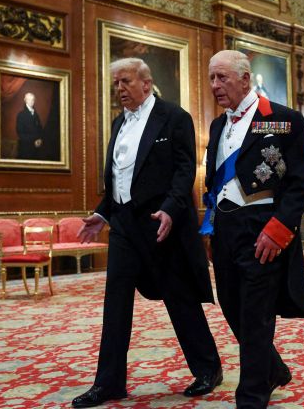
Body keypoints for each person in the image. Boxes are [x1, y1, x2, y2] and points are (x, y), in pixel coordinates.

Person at [72, 58, 221, 408]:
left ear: (146, 83)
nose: (120, 89)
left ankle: (208, 369)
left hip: (160, 223)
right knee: (116, 303)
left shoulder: (174, 117)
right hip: (123, 226)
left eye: (125, 81)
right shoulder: (118, 122)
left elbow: (184, 171)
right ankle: (109, 383)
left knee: (179, 298)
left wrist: (170, 208)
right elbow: (119, 178)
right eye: (116, 84)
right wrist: (102, 213)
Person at [202, 50, 304, 408]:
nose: (215, 85)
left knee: (255, 312)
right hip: (225, 227)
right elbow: (213, 181)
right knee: (231, 304)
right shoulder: (217, 125)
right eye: (211, 78)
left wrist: (280, 228)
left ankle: (251, 395)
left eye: (222, 77)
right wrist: (210, 227)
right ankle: (274, 369)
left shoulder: (282, 119)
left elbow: (300, 181)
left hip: (263, 226)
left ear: (245, 79)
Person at [16, 92, 45, 159]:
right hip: (26, 148)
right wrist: (33, 141)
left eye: (33, 99)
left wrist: (40, 139)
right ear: (25, 100)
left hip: (37, 147)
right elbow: (20, 134)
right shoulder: (21, 115)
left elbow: (40, 128)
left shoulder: (36, 114)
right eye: (29, 99)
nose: (31, 101)